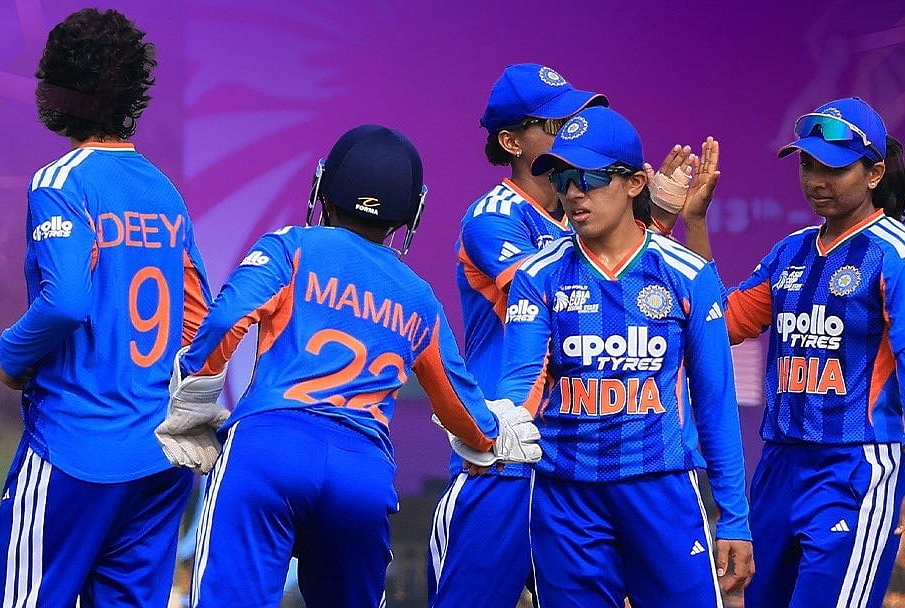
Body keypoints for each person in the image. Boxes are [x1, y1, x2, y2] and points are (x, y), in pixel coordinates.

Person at [160, 125, 542, 608]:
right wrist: (492, 432)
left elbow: (226, 320)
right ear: (410, 214)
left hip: (267, 451)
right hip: (361, 472)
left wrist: (192, 396)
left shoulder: (289, 247)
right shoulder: (417, 295)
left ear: (323, 188)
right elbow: (458, 404)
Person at [428, 63, 696, 608]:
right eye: (552, 123)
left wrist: (652, 225)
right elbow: (575, 307)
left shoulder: (583, 228)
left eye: (575, 115)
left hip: (574, 463)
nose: (571, 128)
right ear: (510, 141)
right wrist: (646, 225)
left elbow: (614, 296)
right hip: (505, 459)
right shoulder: (494, 218)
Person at [680, 96, 905, 608]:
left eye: (833, 168)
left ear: (873, 173)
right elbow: (719, 324)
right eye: (807, 164)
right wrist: (695, 223)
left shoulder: (899, 256)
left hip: (856, 468)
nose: (816, 180)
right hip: (780, 463)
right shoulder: (791, 250)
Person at [0, 8, 210, 607]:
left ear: (57, 89)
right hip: (157, 460)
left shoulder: (60, 182)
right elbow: (198, 317)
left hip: (74, 449)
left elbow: (65, 301)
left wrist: (9, 355)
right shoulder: (163, 190)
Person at [497, 105, 754, 607]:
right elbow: (520, 385)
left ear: (636, 183)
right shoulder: (538, 274)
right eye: (563, 179)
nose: (573, 192)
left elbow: (715, 402)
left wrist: (736, 518)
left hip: (661, 490)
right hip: (564, 498)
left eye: (589, 177)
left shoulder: (688, 274)